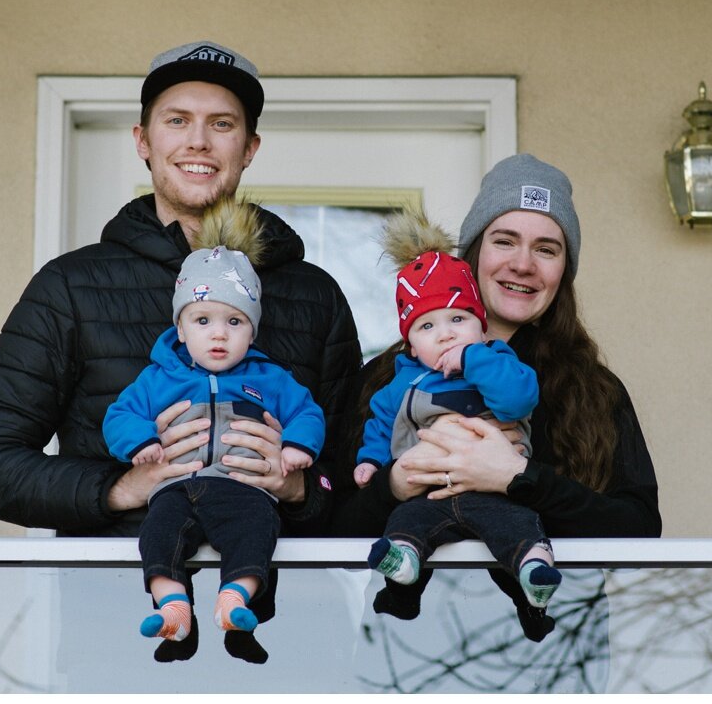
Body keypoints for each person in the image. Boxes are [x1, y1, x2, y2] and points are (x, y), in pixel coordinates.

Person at [0, 40, 361, 663]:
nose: (198, 142)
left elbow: (357, 475)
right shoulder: (71, 287)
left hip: (288, 637)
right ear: (143, 140)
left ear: (248, 148)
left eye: (221, 125)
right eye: (177, 121)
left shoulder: (314, 296)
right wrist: (123, 486)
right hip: (116, 632)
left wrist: (302, 489)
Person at [329, 153, 661, 643]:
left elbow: (638, 532)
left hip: (557, 651)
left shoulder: (592, 392)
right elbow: (331, 529)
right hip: (401, 651)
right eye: (504, 241)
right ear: (473, 253)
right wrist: (395, 484)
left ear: (564, 270)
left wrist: (517, 479)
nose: (522, 264)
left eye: (546, 248)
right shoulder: (387, 379)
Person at [103, 198, 325, 664]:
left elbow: (308, 412)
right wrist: (141, 442)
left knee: (257, 532)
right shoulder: (159, 377)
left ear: (252, 331)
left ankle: (236, 599)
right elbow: (119, 416)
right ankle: (173, 606)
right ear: (181, 329)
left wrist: (298, 447)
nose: (219, 334)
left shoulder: (270, 378)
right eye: (202, 320)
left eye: (235, 322)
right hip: (174, 488)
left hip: (242, 489)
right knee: (158, 537)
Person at [355, 210, 563, 623]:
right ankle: (404, 569)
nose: (446, 333)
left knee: (518, 526)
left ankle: (534, 572)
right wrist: (373, 464)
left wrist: (473, 359)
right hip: (429, 496)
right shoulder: (400, 383)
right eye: (427, 326)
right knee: (407, 521)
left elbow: (518, 400)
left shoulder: (497, 360)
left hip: (494, 495)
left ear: (481, 328)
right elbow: (380, 424)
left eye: (458, 319)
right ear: (411, 346)